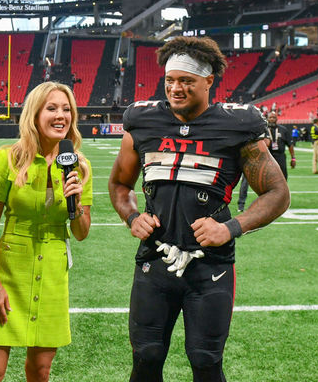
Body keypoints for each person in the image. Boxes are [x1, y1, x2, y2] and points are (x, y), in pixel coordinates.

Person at [108, 36, 290, 382]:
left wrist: (231, 227)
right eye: (170, 80)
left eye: (186, 81)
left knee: (206, 362)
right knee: (145, 359)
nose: (175, 88)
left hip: (211, 269)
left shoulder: (237, 126)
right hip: (154, 262)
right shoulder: (143, 121)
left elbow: (277, 193)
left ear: (209, 81)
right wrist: (132, 216)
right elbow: (119, 184)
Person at [0, 81, 93, 382]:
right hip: (10, 272)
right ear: (35, 114)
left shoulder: (79, 165)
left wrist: (76, 202)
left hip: (53, 271)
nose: (61, 116)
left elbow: (81, 232)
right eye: (52, 108)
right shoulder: (9, 158)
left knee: (40, 371)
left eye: (66, 110)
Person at [237, 110, 296, 211]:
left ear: (277, 119)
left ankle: (281, 202)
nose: (272, 119)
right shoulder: (260, 129)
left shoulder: (283, 129)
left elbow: (290, 145)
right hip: (262, 157)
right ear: (266, 119)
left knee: (283, 180)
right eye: (270, 117)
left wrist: (293, 158)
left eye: (274, 117)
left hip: (280, 156)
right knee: (247, 181)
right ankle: (241, 204)